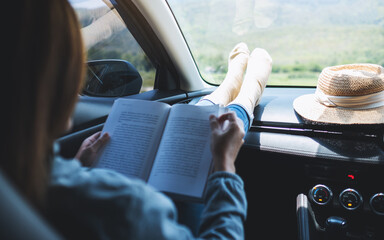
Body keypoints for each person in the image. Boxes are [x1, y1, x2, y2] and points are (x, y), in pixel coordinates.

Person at [1, 0, 272, 239]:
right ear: (59, 86)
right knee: (197, 150)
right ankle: (245, 100)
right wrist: (224, 167)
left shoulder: (20, 187)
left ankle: (226, 90)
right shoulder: (125, 210)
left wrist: (76, 166)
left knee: (196, 121)